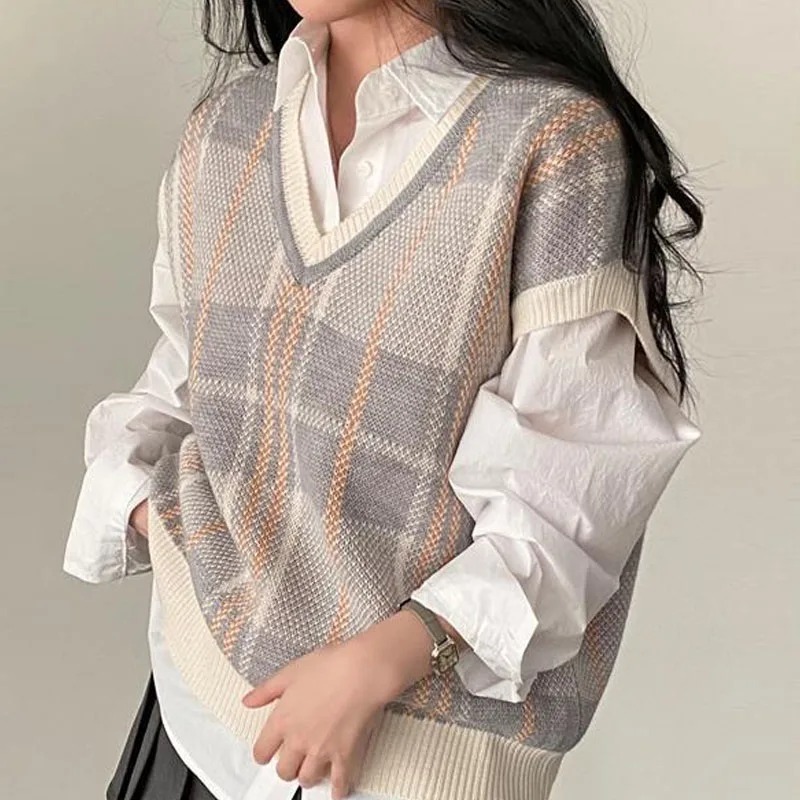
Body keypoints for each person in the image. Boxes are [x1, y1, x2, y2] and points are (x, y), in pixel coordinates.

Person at [63, 2, 705, 800]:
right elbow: (187, 390)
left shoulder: (550, 141)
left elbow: (573, 490)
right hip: (200, 725)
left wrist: (384, 658)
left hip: (408, 764)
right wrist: (147, 514)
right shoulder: (226, 132)